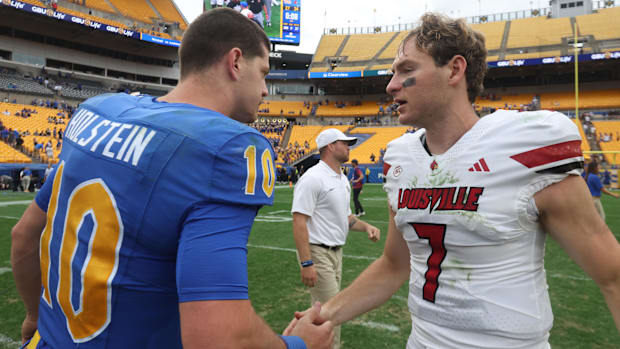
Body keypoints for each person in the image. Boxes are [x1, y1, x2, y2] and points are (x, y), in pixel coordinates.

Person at [288, 13, 620, 348]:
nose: (390, 85)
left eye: (406, 70)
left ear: (454, 70)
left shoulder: (525, 146)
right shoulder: (400, 159)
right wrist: (325, 313)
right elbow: (393, 264)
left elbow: (613, 276)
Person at [11, 8, 332, 349]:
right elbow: (215, 335)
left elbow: (24, 237)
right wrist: (298, 346)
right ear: (235, 61)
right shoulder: (228, 147)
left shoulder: (98, 110)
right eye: (264, 72)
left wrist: (34, 315)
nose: (266, 89)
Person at [291, 128, 380, 349]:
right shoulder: (313, 178)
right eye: (344, 143)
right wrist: (306, 262)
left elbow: (347, 218)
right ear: (330, 146)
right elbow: (299, 221)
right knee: (330, 314)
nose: (349, 147)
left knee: (323, 310)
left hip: (336, 253)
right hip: (318, 253)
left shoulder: (342, 179)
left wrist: (366, 226)